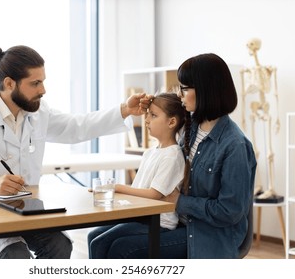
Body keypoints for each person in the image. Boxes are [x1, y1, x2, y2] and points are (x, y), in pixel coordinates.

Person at [0, 45, 151, 259]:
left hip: (24, 208)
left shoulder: (37, 112)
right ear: (9, 83)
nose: (43, 90)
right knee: (14, 254)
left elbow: (76, 127)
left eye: (43, 81)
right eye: (35, 83)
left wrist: (124, 110)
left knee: (60, 245)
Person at [103, 53, 257, 259]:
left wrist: (179, 201)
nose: (180, 94)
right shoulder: (189, 128)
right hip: (180, 223)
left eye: (184, 88)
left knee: (121, 248)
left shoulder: (235, 146)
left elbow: (230, 211)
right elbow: (167, 118)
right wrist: (151, 104)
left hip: (209, 234)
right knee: (99, 239)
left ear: (205, 91)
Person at [87, 93, 186, 258]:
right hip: (141, 217)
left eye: (153, 115)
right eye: (147, 114)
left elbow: (154, 194)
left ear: (172, 122)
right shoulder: (150, 153)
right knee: (93, 236)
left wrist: (117, 187)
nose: (146, 120)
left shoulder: (172, 156)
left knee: (101, 243)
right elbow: (139, 190)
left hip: (158, 222)